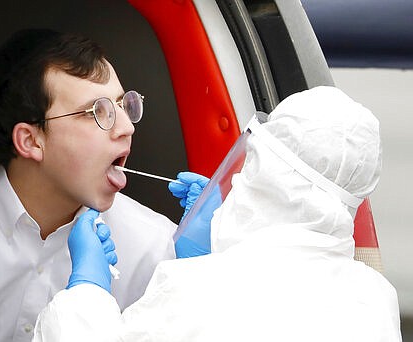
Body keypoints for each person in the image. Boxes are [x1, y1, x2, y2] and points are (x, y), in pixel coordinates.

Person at [32, 86, 402, 341]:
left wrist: (87, 290)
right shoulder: (374, 297)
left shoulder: (196, 296)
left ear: (271, 177)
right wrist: (221, 249)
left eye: (251, 162)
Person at [0, 29, 177, 342]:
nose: (126, 128)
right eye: (99, 112)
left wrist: (204, 266)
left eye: (124, 106)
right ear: (30, 140)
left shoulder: (155, 246)